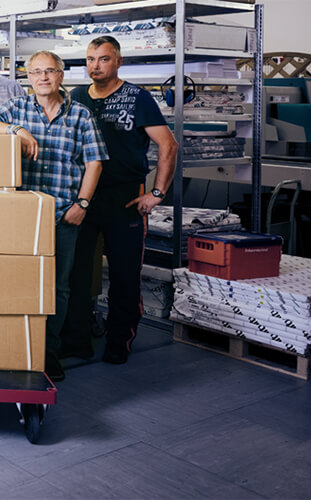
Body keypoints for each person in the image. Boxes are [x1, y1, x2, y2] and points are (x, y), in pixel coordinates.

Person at [0, 50, 107, 382]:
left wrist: (83, 204)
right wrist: (15, 131)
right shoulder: (17, 108)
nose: (43, 78)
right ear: (28, 78)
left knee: (58, 288)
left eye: (49, 71)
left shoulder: (80, 115)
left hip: (63, 215)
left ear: (61, 76)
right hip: (22, 218)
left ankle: (48, 351)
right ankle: (17, 346)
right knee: (18, 283)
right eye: (36, 72)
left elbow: (95, 163)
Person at [61, 35, 177, 365]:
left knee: (125, 275)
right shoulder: (78, 96)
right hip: (83, 196)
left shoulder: (137, 98)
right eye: (90, 59)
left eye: (104, 59)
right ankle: (77, 340)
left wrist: (156, 194)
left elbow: (168, 145)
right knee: (77, 274)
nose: (95, 65)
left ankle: (118, 340)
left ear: (119, 62)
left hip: (125, 197)